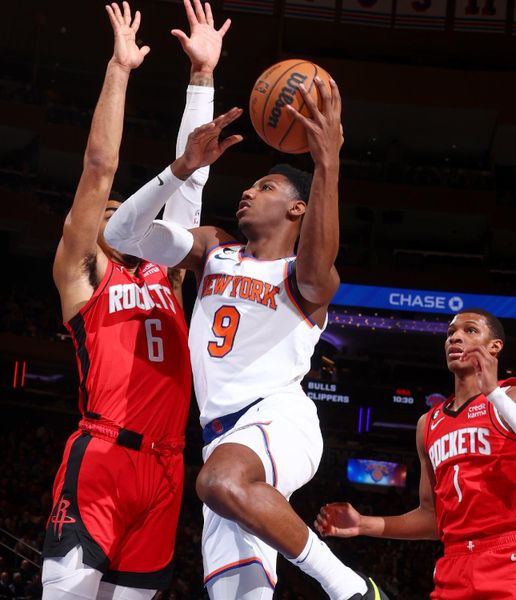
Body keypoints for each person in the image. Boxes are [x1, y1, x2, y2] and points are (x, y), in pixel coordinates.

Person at [104, 72, 386, 599]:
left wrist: (328, 163)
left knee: (217, 482)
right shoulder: (213, 248)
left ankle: (350, 588)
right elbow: (120, 234)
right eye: (252, 184)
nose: (248, 191)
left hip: (277, 420)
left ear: (297, 208)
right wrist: (183, 168)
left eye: (267, 187)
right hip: (222, 439)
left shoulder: (306, 279)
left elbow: (319, 257)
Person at [41, 1, 230, 598]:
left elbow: (192, 184)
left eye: (134, 211)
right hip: (104, 456)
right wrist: (119, 69)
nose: (127, 217)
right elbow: (99, 167)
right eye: (115, 212)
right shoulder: (84, 274)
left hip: (169, 468)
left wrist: (202, 77)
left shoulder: (165, 275)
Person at [315, 309, 516, 599]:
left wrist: (494, 395)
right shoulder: (428, 424)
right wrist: (364, 523)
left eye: (470, 331)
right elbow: (433, 518)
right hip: (453, 566)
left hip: (513, 559)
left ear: (495, 346)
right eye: (451, 333)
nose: (456, 338)